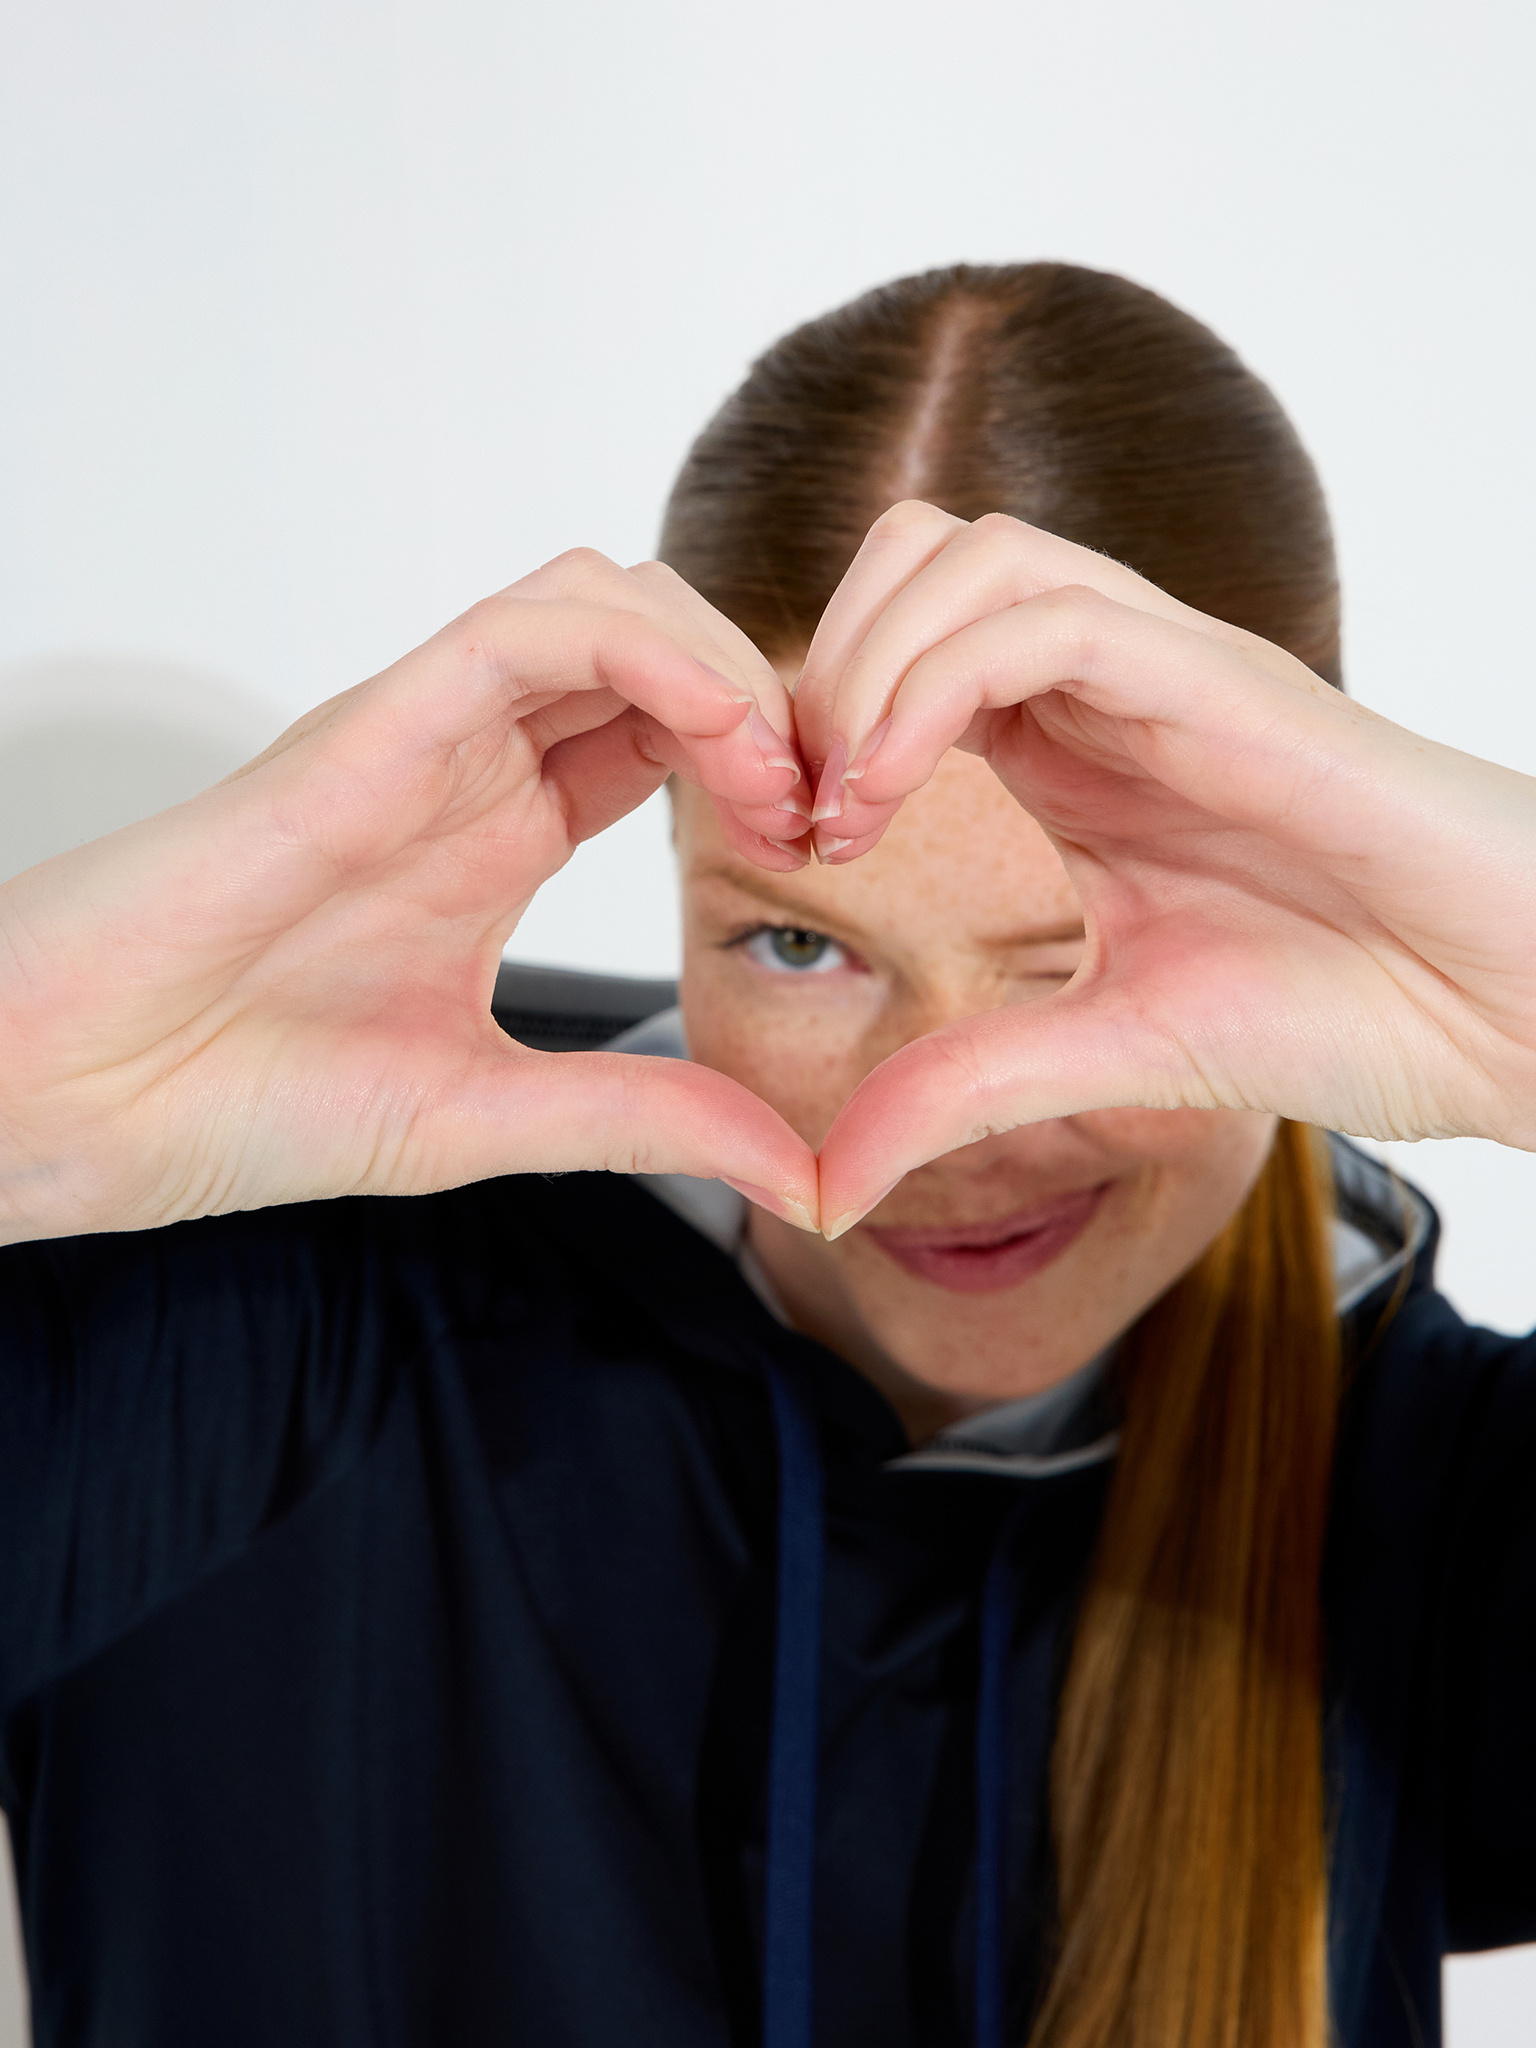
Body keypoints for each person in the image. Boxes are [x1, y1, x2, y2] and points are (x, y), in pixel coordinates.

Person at [1, 262, 1533, 2048]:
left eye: (1079, 969)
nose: (940, 1120)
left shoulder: (1444, 1520)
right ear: (662, 866)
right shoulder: (263, 1323)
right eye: (798, 945)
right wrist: (22, 1093)